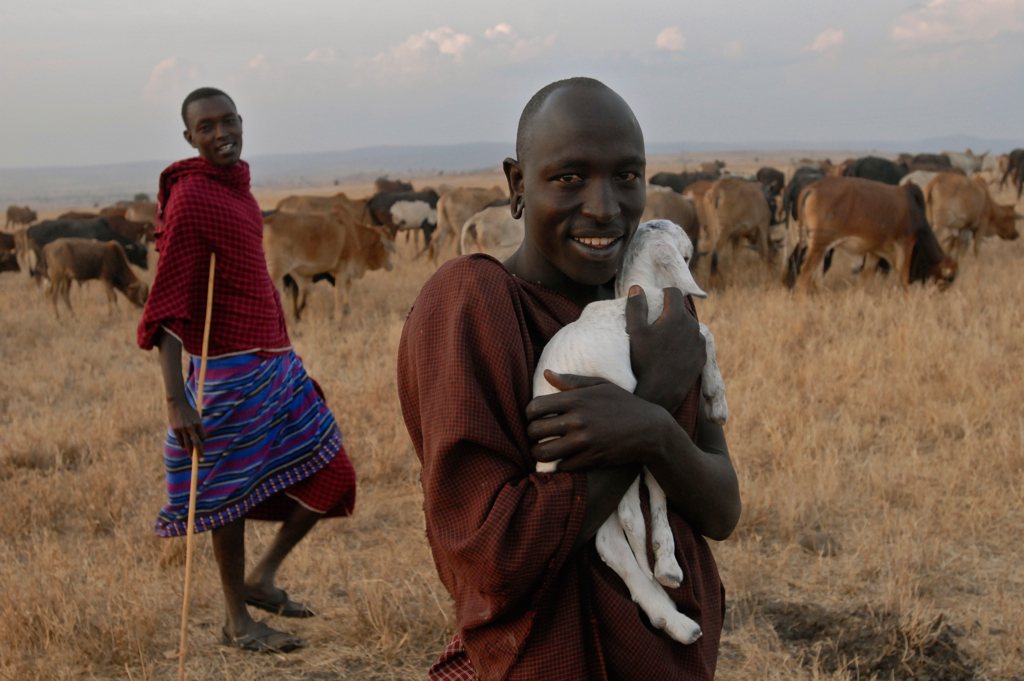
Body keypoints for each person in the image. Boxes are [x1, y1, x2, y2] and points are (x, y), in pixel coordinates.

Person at [397, 77, 741, 680]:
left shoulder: (663, 314)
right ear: (516, 184)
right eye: (570, 178)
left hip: (673, 659)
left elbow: (721, 510)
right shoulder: (473, 303)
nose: (606, 208)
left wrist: (657, 432)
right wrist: (652, 400)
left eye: (627, 176)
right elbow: (492, 558)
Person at [138, 87, 357, 653]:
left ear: (241, 121)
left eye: (228, 121)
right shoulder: (191, 199)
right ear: (189, 138)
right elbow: (167, 306)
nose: (221, 133)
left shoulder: (236, 191)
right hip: (229, 373)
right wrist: (175, 399)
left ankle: (262, 578)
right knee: (226, 499)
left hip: (277, 367)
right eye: (205, 127)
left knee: (334, 472)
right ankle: (238, 622)